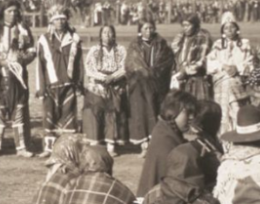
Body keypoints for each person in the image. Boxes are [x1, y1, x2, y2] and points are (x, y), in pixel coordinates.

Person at [0, 3, 35, 157]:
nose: (13, 14)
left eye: (15, 11)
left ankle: (21, 147)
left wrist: (21, 60)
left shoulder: (24, 30)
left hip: (19, 77)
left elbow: (32, 51)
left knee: (19, 109)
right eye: (9, 10)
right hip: (0, 76)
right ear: (3, 12)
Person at [126, 19, 175, 155]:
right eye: (145, 28)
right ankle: (144, 146)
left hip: (157, 84)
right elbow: (132, 63)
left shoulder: (161, 43)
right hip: (139, 85)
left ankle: (156, 144)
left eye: (151, 28)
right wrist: (144, 73)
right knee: (140, 113)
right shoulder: (134, 45)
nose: (148, 31)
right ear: (140, 30)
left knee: (156, 111)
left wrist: (154, 73)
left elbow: (166, 61)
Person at [36, 6, 84, 148]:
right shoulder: (44, 40)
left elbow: (79, 64)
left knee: (68, 116)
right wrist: (41, 88)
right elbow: (40, 65)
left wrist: (79, 84)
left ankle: (67, 148)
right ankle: (49, 148)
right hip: (50, 86)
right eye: (56, 20)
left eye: (62, 19)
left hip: (69, 85)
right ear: (51, 22)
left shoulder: (74, 39)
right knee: (49, 116)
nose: (60, 22)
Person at [83, 24, 130, 154]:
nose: (107, 35)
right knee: (95, 110)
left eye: (110, 33)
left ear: (114, 35)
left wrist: (113, 77)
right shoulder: (94, 50)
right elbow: (89, 68)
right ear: (100, 35)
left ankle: (111, 144)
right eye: (104, 33)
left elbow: (125, 67)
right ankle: (95, 141)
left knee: (113, 112)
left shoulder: (120, 50)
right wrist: (103, 78)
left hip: (115, 85)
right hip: (98, 85)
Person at [172, 16, 216, 103]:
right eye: (183, 25)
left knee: (199, 103)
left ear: (195, 25)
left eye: (188, 25)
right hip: (181, 75)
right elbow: (175, 55)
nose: (185, 28)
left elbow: (202, 58)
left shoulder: (203, 37)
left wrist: (188, 69)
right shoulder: (180, 38)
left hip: (197, 76)